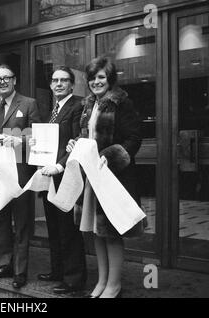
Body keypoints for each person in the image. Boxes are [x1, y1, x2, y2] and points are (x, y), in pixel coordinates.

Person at [66, 56, 142, 298]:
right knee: (97, 232)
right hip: (92, 177)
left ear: (109, 79)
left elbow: (134, 139)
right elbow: (87, 138)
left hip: (114, 178)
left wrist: (110, 156)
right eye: (92, 78)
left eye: (101, 77)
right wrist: (74, 143)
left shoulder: (123, 103)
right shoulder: (88, 105)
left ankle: (114, 284)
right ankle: (101, 281)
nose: (96, 82)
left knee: (111, 234)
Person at [0, 64, 40, 289]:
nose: (2, 82)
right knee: (1, 220)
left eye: (6, 78)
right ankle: (4, 264)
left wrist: (20, 141)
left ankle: (20, 271)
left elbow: (37, 136)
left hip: (20, 172)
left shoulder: (29, 103)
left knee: (22, 223)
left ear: (14, 80)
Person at [36, 66, 87, 294]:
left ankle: (73, 278)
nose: (58, 84)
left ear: (71, 84)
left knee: (68, 230)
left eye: (63, 80)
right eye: (55, 80)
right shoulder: (52, 109)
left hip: (66, 175)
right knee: (54, 228)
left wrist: (60, 164)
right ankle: (58, 271)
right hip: (49, 177)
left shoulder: (78, 105)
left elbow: (78, 139)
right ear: (50, 85)